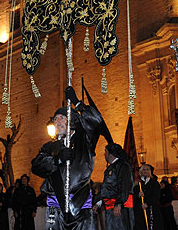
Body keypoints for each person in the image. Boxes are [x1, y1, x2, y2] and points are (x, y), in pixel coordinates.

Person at [31, 86, 105, 230]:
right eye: (55, 119)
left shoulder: (85, 140)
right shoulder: (50, 147)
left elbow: (96, 120)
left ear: (70, 120)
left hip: (80, 207)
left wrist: (77, 102)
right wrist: (56, 160)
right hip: (56, 208)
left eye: (62, 118)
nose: (57, 122)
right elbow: (36, 166)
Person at [97, 143, 133, 230]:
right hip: (110, 208)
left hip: (119, 208)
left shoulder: (122, 166)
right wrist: (98, 202)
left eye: (106, 151)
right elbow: (107, 187)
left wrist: (118, 204)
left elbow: (124, 186)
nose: (104, 154)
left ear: (111, 153)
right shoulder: (111, 168)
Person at [135, 164, 163, 230]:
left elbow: (156, 196)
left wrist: (147, 204)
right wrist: (138, 195)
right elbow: (133, 197)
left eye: (147, 169)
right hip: (140, 211)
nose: (145, 171)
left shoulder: (154, 183)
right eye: (143, 170)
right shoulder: (138, 184)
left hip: (152, 209)